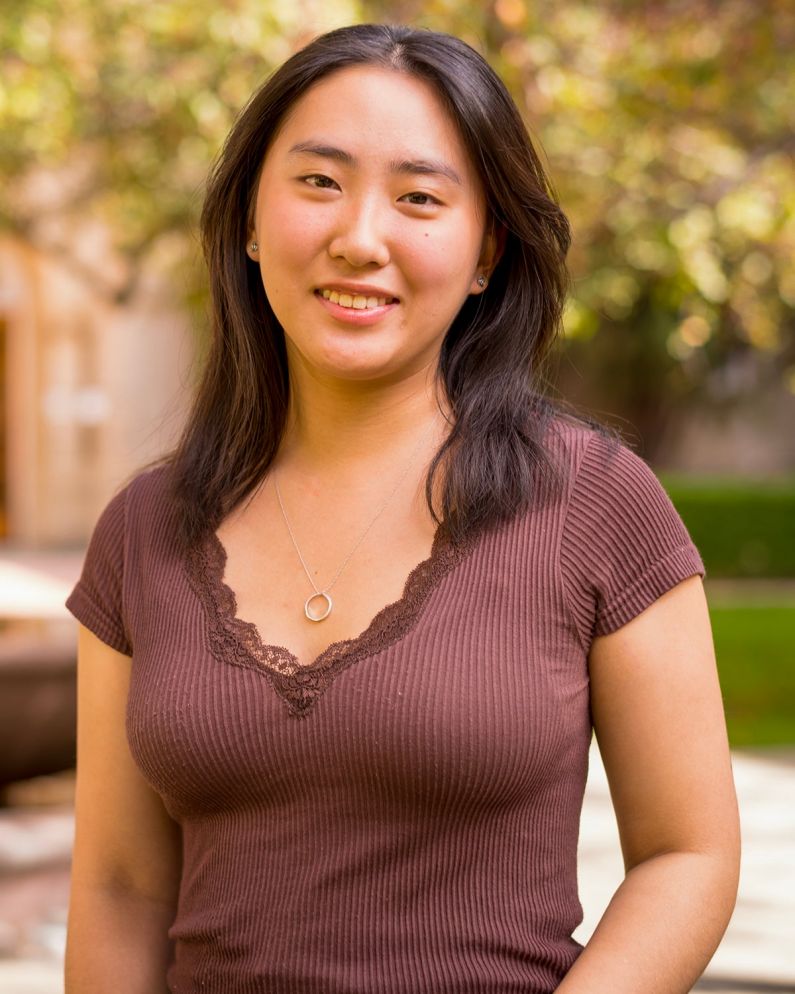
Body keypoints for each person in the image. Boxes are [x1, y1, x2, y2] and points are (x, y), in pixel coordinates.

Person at [64, 22, 740, 994]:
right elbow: (122, 886)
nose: (360, 238)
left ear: (485, 253)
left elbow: (689, 855)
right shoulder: (143, 528)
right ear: (251, 221)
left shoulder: (595, 501)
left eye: (419, 198)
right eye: (318, 182)